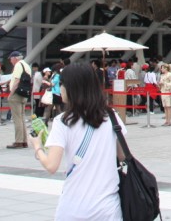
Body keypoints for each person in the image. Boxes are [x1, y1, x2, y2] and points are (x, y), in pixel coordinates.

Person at [29, 63, 125, 221]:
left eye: (62, 84)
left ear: (72, 87)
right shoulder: (111, 116)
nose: (60, 88)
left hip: (74, 207)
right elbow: (123, 156)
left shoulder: (63, 121)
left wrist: (37, 147)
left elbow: (51, 166)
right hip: (108, 208)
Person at [6, 51, 32, 148]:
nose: (10, 61)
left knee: (17, 118)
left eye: (11, 59)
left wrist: (10, 94)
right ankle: (24, 140)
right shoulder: (26, 65)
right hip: (24, 94)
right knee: (21, 117)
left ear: (15, 58)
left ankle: (19, 141)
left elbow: (17, 80)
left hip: (16, 94)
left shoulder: (18, 65)